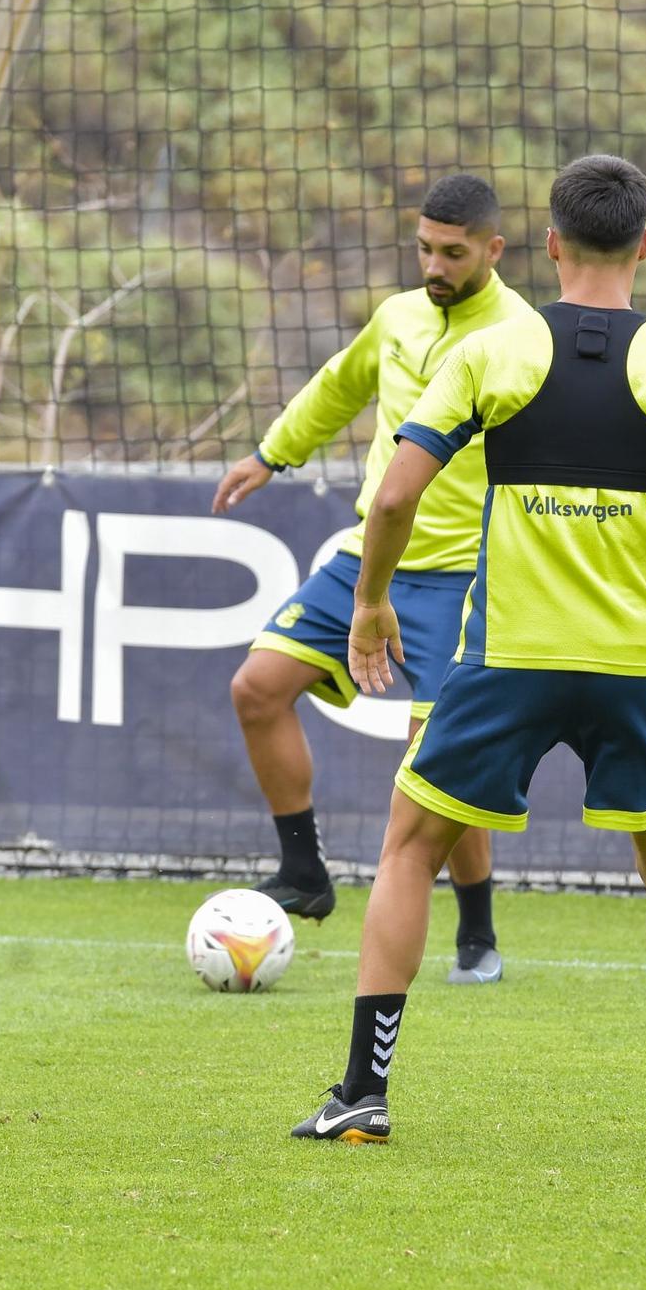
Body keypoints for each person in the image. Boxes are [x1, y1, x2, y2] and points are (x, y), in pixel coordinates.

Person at [291, 155, 646, 1146]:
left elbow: (391, 495)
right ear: (645, 245)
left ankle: (362, 1094)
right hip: (631, 666)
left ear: (548, 246)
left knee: (408, 850)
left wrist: (371, 600)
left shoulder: (492, 355)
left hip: (503, 660)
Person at [213, 174, 531, 983]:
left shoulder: (526, 334)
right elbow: (338, 386)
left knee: (439, 762)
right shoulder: (397, 315)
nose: (435, 263)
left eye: (453, 253)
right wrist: (270, 454)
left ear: (494, 250)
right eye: (425, 247)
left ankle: (478, 933)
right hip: (370, 558)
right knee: (256, 687)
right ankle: (305, 873)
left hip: (464, 574)